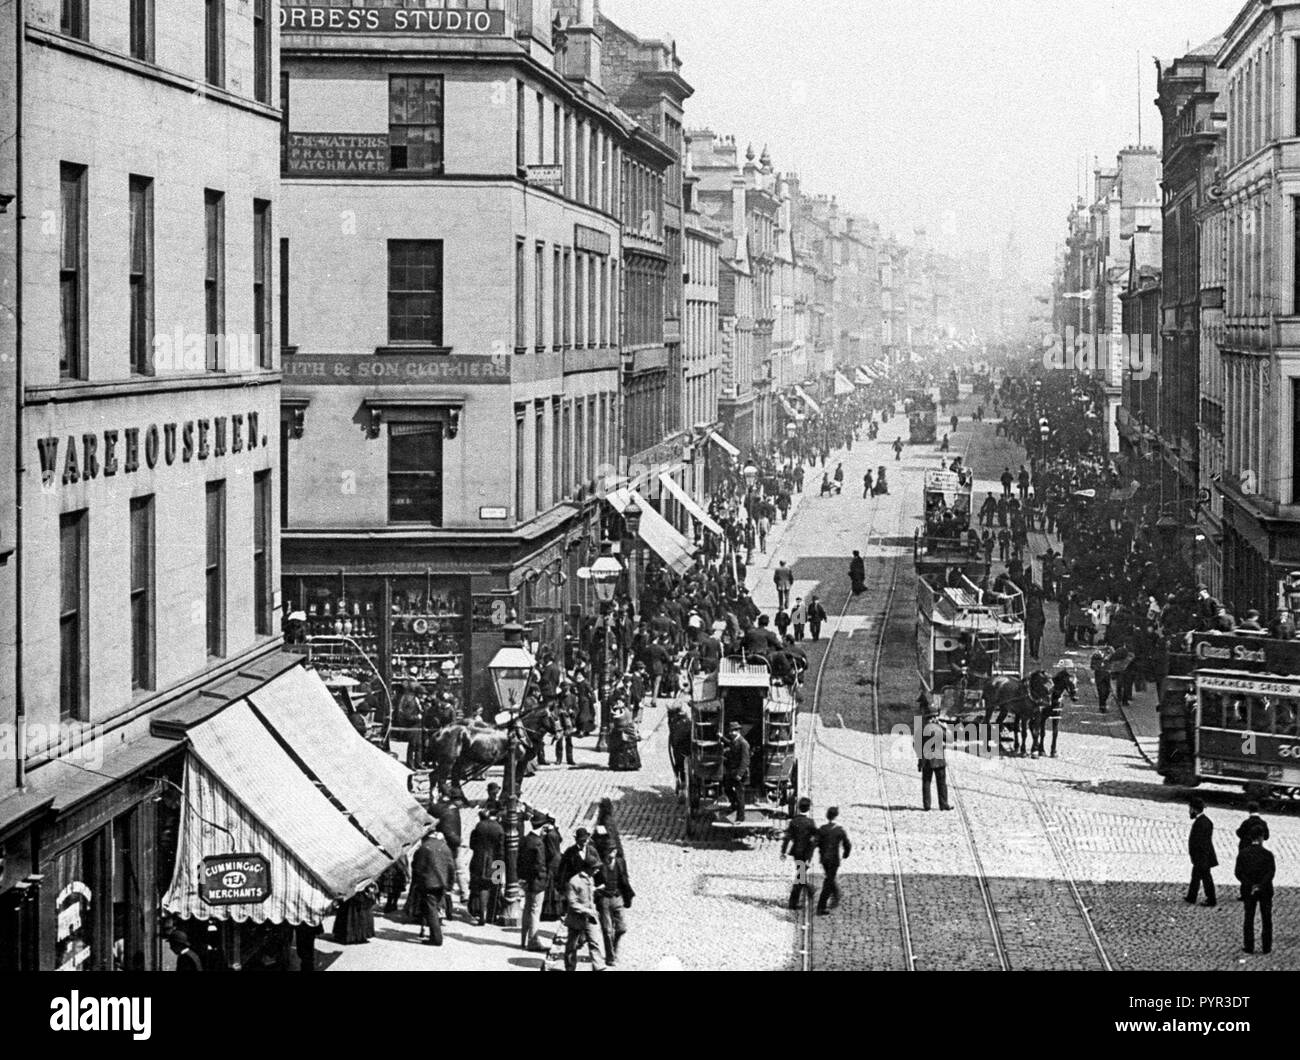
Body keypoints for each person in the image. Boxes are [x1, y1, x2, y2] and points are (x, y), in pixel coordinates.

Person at [410, 827, 456, 945]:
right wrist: (450, 885)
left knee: (431, 911)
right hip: (442, 884)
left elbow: (417, 867)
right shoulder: (445, 848)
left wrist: (417, 883)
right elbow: (451, 868)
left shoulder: (423, 848)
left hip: (428, 883)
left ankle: (436, 938)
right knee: (436, 909)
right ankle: (435, 934)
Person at [563, 861, 607, 971]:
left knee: (594, 942)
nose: (597, 870)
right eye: (595, 868)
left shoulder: (590, 878)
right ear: (589, 868)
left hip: (590, 919)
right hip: (576, 919)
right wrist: (586, 910)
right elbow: (572, 903)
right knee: (572, 946)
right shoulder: (574, 881)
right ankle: (570, 967)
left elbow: (589, 896)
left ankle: (599, 967)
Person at [1235, 835, 1275, 954]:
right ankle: (1266, 947)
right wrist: (1260, 885)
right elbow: (1271, 872)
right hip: (1265, 890)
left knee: (1249, 918)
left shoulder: (1243, 854)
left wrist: (1251, 885)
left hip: (1249, 890)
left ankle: (1249, 946)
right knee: (1266, 918)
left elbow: (1238, 873)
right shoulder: (1268, 854)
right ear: (1261, 838)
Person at [517, 813, 551, 951]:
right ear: (542, 827)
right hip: (537, 882)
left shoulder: (525, 839)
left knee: (527, 909)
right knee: (535, 911)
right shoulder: (538, 843)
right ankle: (533, 941)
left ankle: (523, 939)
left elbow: (519, 860)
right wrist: (545, 877)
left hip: (526, 880)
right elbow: (540, 865)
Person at [595, 847, 633, 967]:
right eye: (607, 851)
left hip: (618, 898)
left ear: (615, 852)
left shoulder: (620, 863)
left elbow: (625, 878)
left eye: (612, 851)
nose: (609, 854)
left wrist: (626, 895)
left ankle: (614, 949)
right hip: (604, 899)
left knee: (622, 928)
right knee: (607, 930)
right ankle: (610, 957)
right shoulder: (600, 865)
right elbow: (595, 881)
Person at [468, 808, 505, 926]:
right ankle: (492, 915)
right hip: (496, 862)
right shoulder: (499, 828)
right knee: (495, 886)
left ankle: (481, 912)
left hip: (479, 860)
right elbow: (501, 849)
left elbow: (472, 844)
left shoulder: (479, 826)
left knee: (481, 886)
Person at [781, 797, 819, 910]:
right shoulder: (810, 823)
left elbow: (787, 838)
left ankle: (805, 892)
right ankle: (796, 900)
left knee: (800, 875)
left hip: (796, 852)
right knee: (800, 876)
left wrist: (783, 851)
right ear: (809, 808)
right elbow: (815, 838)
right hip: (806, 853)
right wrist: (811, 854)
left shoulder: (794, 821)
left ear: (798, 808)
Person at [815, 807, 851, 915]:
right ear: (836, 816)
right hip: (834, 860)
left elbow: (816, 842)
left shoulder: (822, 829)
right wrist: (845, 854)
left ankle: (836, 894)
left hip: (824, 860)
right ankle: (821, 906)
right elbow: (847, 844)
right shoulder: (840, 830)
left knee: (829, 878)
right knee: (829, 881)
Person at [1186, 797, 1218, 908]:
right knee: (1196, 877)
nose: (1189, 811)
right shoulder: (1205, 821)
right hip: (1203, 856)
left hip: (1202, 857)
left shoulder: (1201, 823)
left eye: (1190, 809)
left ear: (1194, 809)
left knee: (1206, 878)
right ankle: (1191, 897)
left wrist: (1198, 857)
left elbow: (1200, 842)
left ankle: (1211, 899)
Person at [918, 706, 951, 811]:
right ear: (934, 717)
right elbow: (950, 739)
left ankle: (927, 805)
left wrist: (920, 761)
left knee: (926, 782)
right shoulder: (938, 728)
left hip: (926, 760)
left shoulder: (922, 729)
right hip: (938, 760)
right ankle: (943, 804)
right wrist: (944, 727)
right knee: (941, 783)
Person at [1236, 804, 1270, 901]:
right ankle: (1257, 891)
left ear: (1249, 811)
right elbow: (1267, 836)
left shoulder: (1246, 822)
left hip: (1245, 849)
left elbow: (1239, 833)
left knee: (1245, 871)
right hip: (1258, 850)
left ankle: (1244, 893)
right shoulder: (1263, 823)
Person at [722, 721, 751, 822]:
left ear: (738, 731)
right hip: (732, 772)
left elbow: (745, 760)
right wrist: (722, 737)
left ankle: (740, 818)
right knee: (727, 788)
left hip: (739, 773)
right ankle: (733, 803)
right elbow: (730, 744)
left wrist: (740, 774)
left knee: (740, 796)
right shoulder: (734, 741)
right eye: (730, 731)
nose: (731, 733)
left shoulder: (743, 743)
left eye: (733, 731)